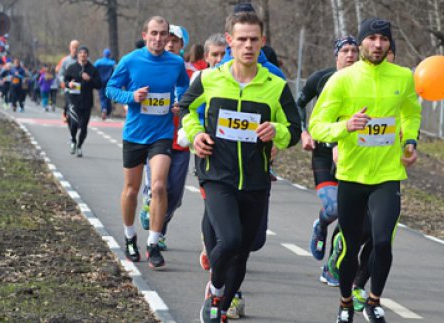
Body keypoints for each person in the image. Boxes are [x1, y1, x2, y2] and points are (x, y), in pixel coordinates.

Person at [180, 12, 301, 322]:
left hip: (256, 179)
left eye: (253, 39)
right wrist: (196, 135)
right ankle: (216, 290)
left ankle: (220, 304)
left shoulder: (275, 85)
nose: (248, 45)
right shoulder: (209, 78)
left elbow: (295, 129)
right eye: (241, 39)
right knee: (229, 240)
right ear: (230, 40)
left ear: (262, 42)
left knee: (244, 251)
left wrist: (277, 131)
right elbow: (185, 109)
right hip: (217, 174)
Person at [308, 18, 421, 323]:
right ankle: (345, 302)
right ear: (360, 44)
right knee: (351, 245)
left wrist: (410, 140)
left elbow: (411, 112)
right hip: (351, 176)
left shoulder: (403, 77)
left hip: (388, 174)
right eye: (371, 38)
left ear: (389, 44)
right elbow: (317, 125)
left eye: (383, 39)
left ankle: (373, 301)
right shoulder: (342, 80)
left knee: (383, 241)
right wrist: (346, 126)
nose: (378, 44)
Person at [106, 16, 189, 269]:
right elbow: (111, 88)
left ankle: (153, 243)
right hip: (134, 134)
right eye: (154, 33)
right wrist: (131, 96)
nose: (158, 38)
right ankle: (130, 236)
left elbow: (184, 87)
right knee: (131, 190)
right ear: (145, 35)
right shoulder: (130, 61)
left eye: (163, 34)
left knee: (160, 186)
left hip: (162, 134)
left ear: (168, 37)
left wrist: (179, 102)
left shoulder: (176, 63)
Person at [296, 36, 359, 287]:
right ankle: (321, 224)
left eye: (355, 50)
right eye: (345, 50)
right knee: (334, 209)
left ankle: (332, 266)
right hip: (323, 152)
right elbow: (299, 103)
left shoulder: (365, 82)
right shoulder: (322, 78)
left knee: (350, 216)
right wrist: (304, 132)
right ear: (336, 55)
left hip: (353, 155)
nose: (351, 55)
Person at [137, 24, 190, 251]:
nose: (169, 43)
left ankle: (160, 228)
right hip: (157, 138)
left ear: (181, 46)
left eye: (175, 41)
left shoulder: (190, 73)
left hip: (181, 141)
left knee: (174, 195)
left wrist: (185, 105)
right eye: (166, 39)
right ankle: (156, 231)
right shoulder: (150, 65)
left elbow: (198, 101)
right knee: (159, 188)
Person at [63, 46, 102, 157]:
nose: (82, 55)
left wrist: (89, 79)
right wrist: (68, 84)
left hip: (86, 101)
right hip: (74, 100)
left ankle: (79, 146)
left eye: (85, 53)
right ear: (78, 55)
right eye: (80, 53)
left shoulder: (92, 69)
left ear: (87, 55)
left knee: (84, 127)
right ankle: (73, 140)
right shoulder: (72, 67)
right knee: (74, 123)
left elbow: (99, 84)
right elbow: (65, 80)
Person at [94, 48, 116, 120]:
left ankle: (104, 109)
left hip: (100, 82)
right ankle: (107, 111)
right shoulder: (112, 63)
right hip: (109, 82)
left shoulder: (98, 62)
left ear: (103, 54)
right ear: (109, 55)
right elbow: (116, 71)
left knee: (102, 96)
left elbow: (93, 70)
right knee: (108, 96)